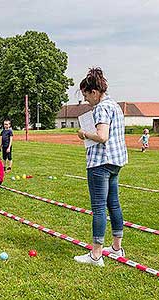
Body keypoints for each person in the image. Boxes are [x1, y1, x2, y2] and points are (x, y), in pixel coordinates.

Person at [74, 67, 128, 267]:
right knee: (113, 204)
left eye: (87, 95)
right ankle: (116, 247)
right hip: (115, 162)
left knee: (98, 208)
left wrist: (84, 134)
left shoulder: (101, 108)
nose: (86, 99)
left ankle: (96, 255)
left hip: (100, 164)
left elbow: (102, 136)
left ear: (94, 92)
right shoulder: (115, 105)